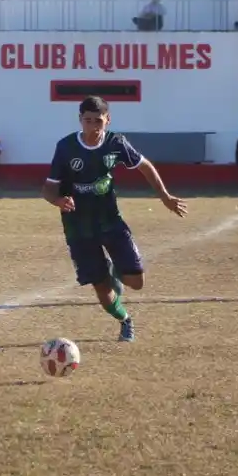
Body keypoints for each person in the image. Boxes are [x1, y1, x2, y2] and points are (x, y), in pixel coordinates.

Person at [41, 96, 188, 342]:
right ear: (80, 120)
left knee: (136, 282)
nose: (93, 127)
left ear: (108, 120)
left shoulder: (116, 143)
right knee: (101, 287)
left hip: (110, 220)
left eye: (98, 121)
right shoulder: (66, 147)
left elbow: (144, 165)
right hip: (78, 226)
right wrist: (57, 201)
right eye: (88, 121)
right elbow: (48, 188)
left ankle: (113, 269)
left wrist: (164, 196)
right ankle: (125, 320)